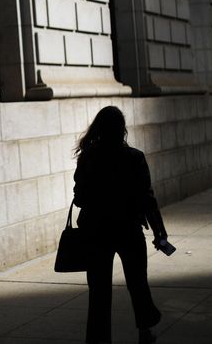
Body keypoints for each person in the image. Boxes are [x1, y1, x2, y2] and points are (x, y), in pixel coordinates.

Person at [72, 106, 170, 344]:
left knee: (99, 290)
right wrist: (159, 231)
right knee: (138, 283)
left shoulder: (88, 157)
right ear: (122, 130)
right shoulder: (134, 157)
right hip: (128, 228)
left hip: (96, 231)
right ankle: (145, 330)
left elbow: (80, 197)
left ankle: (98, 339)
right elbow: (147, 198)